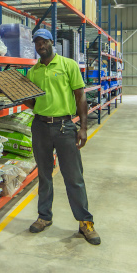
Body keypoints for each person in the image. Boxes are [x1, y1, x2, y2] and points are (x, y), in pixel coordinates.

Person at [22, 28, 100, 245]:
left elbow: (80, 96)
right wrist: (20, 95)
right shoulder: (34, 71)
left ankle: (85, 222)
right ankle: (44, 216)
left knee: (73, 177)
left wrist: (83, 128)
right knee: (45, 175)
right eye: (37, 43)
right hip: (40, 126)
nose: (41, 46)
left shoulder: (68, 65)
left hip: (65, 127)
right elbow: (33, 102)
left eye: (44, 42)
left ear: (51, 42)